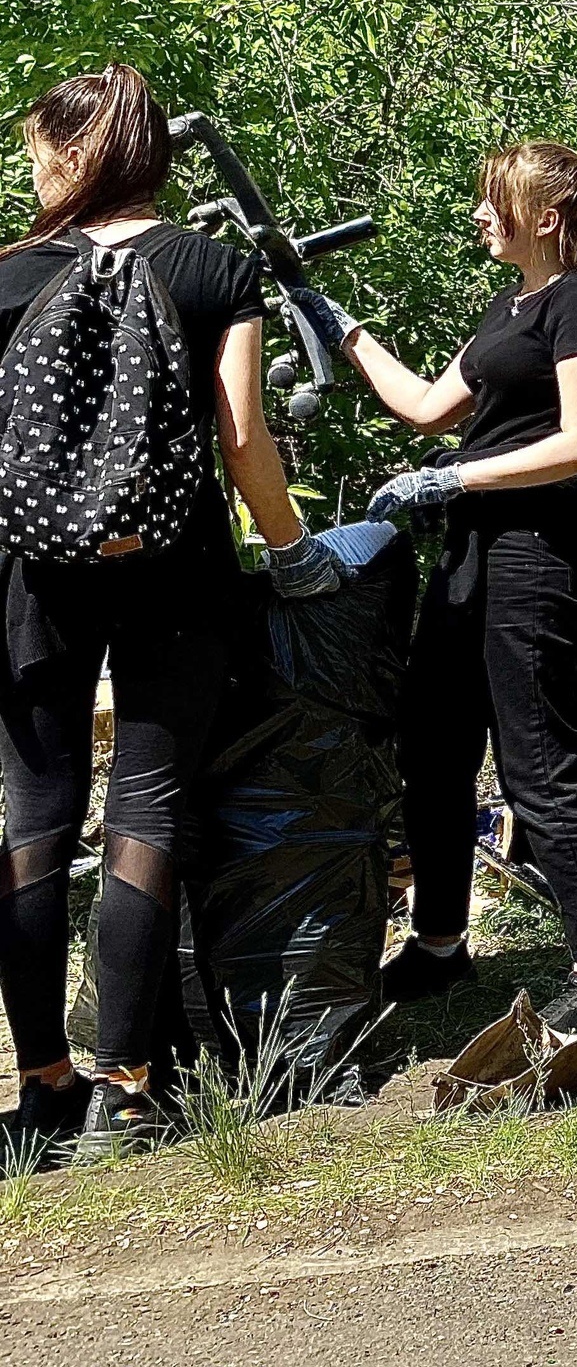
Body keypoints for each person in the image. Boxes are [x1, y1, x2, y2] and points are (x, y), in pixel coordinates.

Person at [0, 65, 339, 1163]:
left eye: (38, 150)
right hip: (174, 573)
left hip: (27, 578)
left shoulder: (7, 279)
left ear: (74, 153)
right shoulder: (213, 269)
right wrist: (291, 553)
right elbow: (243, 439)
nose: (30, 168)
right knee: (146, 811)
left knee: (33, 816)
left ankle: (41, 1081)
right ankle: (125, 1091)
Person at [295, 141, 577, 1039]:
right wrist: (341, 331)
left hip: (538, 554)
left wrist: (455, 480)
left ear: (547, 217)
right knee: (434, 745)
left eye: (495, 202)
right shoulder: (511, 305)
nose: (480, 216)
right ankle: (442, 940)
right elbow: (422, 406)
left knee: (536, 762)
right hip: (472, 556)